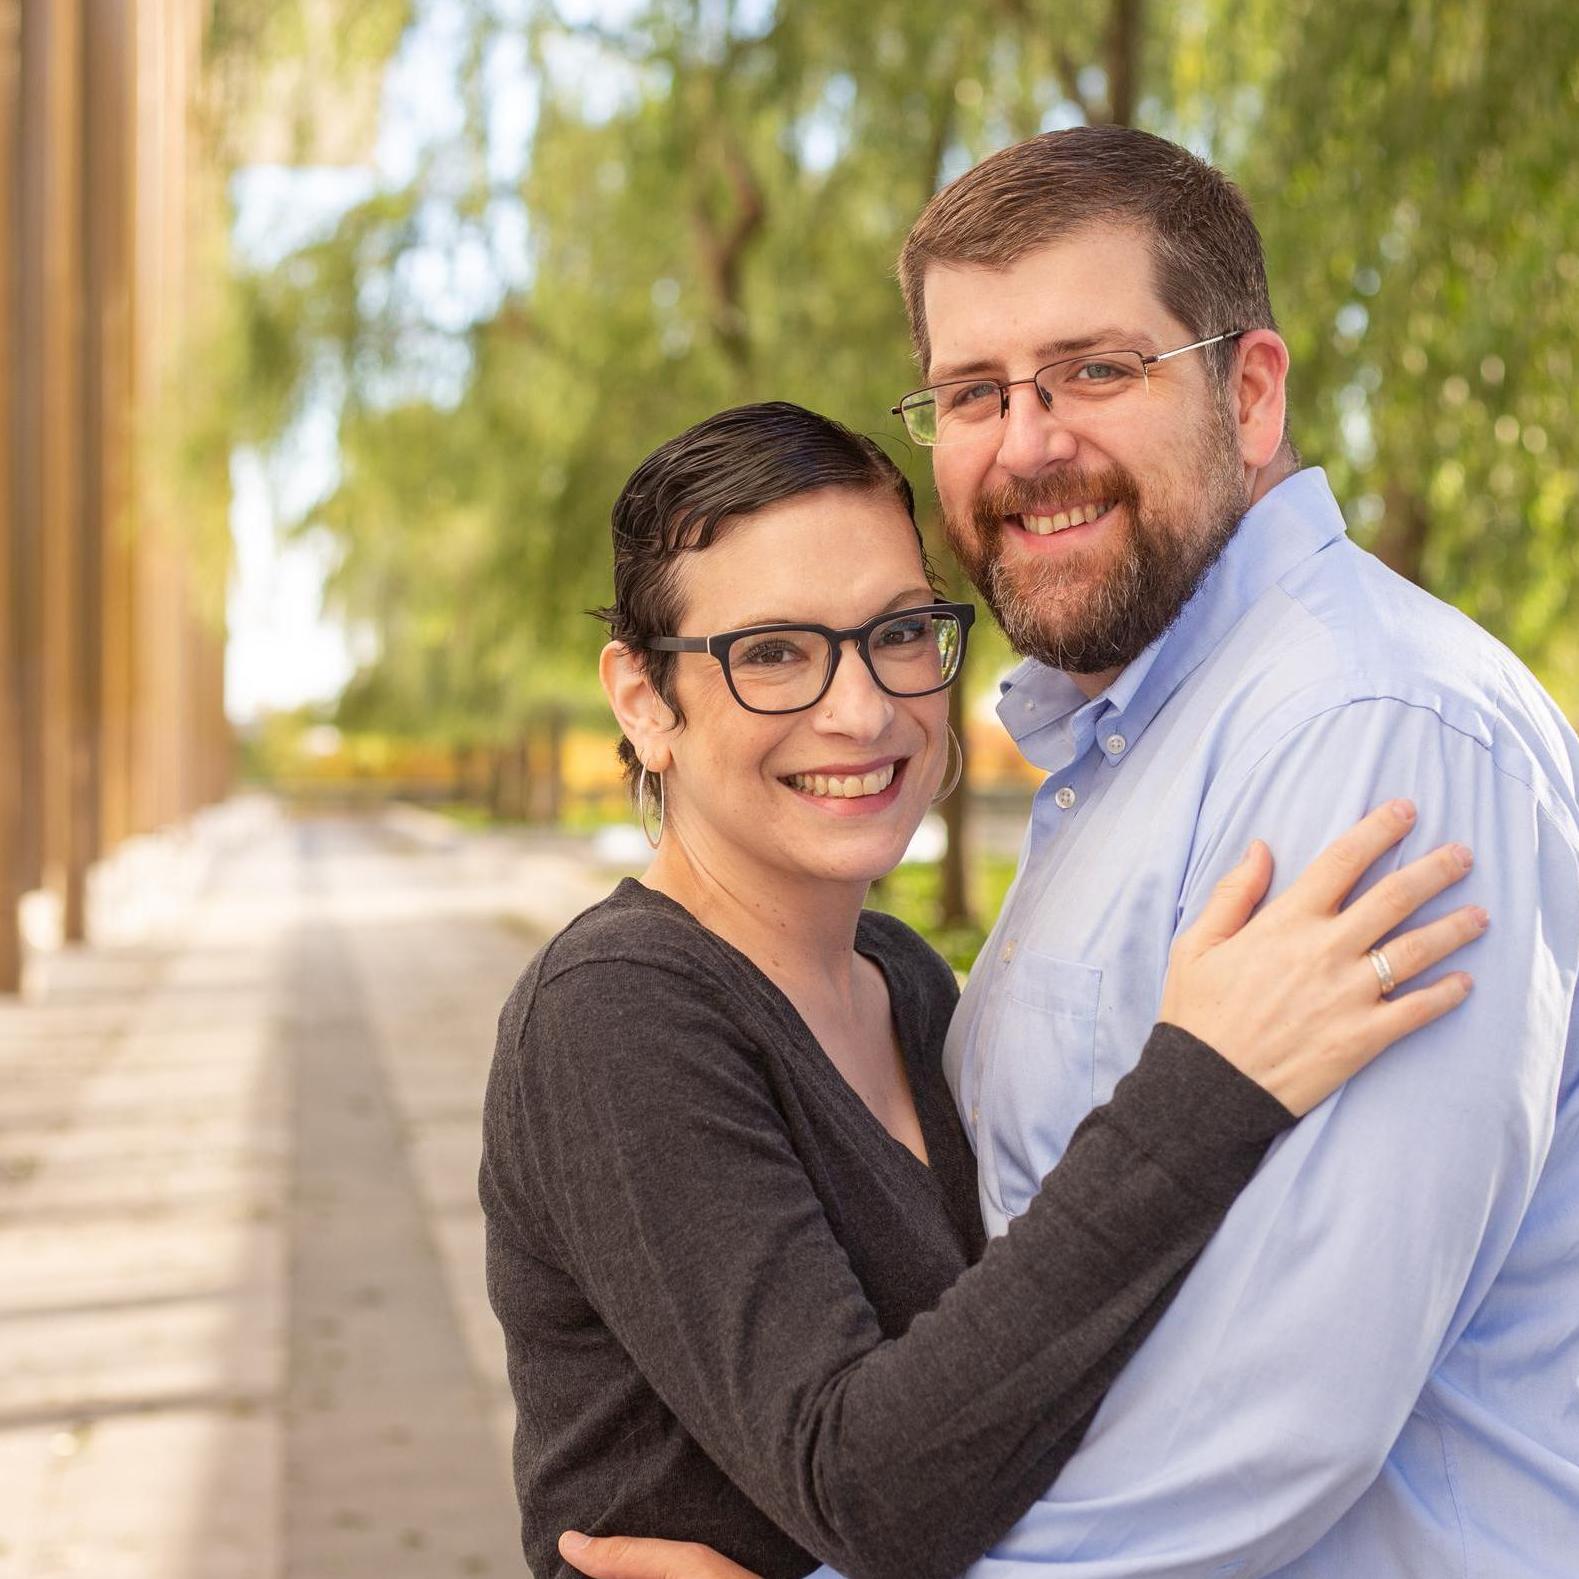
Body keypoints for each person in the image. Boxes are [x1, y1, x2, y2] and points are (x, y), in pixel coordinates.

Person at [560, 128, 1579, 1579]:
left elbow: (1272, 1417)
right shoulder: (1132, 750)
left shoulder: (1367, 732)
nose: (1027, 441)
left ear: (1247, 391)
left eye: (1093, 369)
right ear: (641, 696)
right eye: (973, 390)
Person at [480, 401, 1484, 1579]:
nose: (860, 710)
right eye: (773, 654)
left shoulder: (901, 978)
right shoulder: (617, 1013)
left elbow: (1013, 1378)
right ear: (645, 698)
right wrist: (1208, 1085)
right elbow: (868, 1490)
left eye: (899, 632)